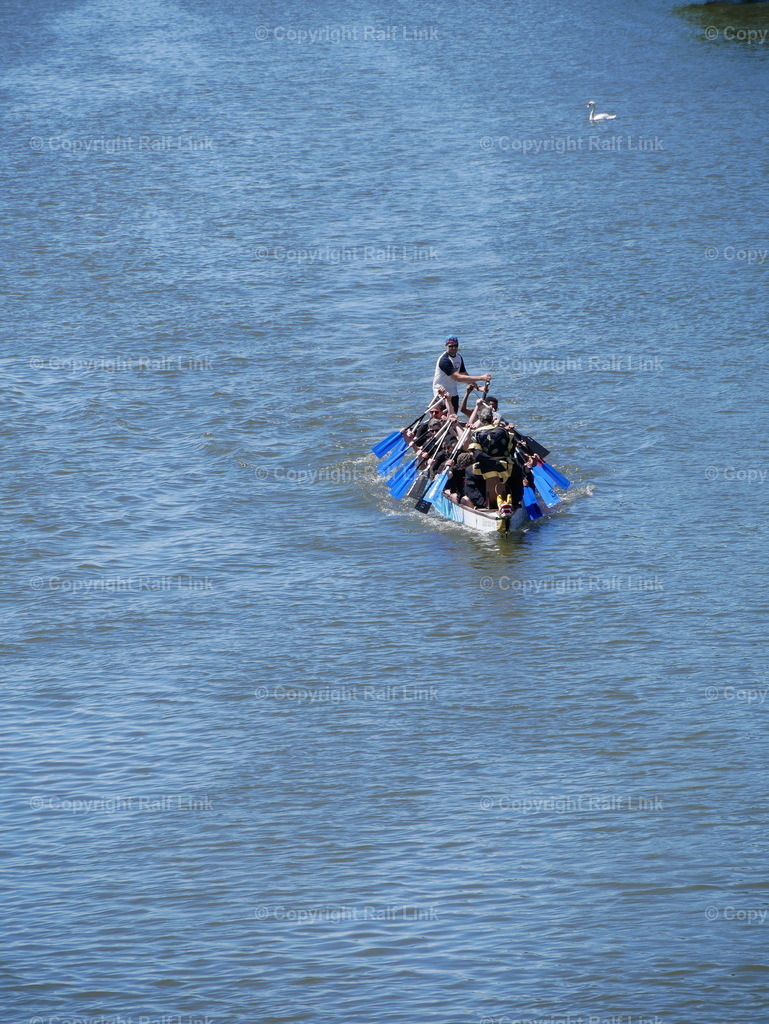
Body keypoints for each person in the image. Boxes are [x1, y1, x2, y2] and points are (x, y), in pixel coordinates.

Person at [432, 337, 491, 413]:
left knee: (454, 417)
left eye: (456, 346)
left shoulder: (458, 357)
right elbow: (458, 377)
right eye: (451, 346)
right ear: (445, 345)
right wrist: (482, 378)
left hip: (453, 392)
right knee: (443, 419)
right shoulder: (444, 360)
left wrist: (478, 387)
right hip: (441, 393)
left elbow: (464, 374)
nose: (453, 348)